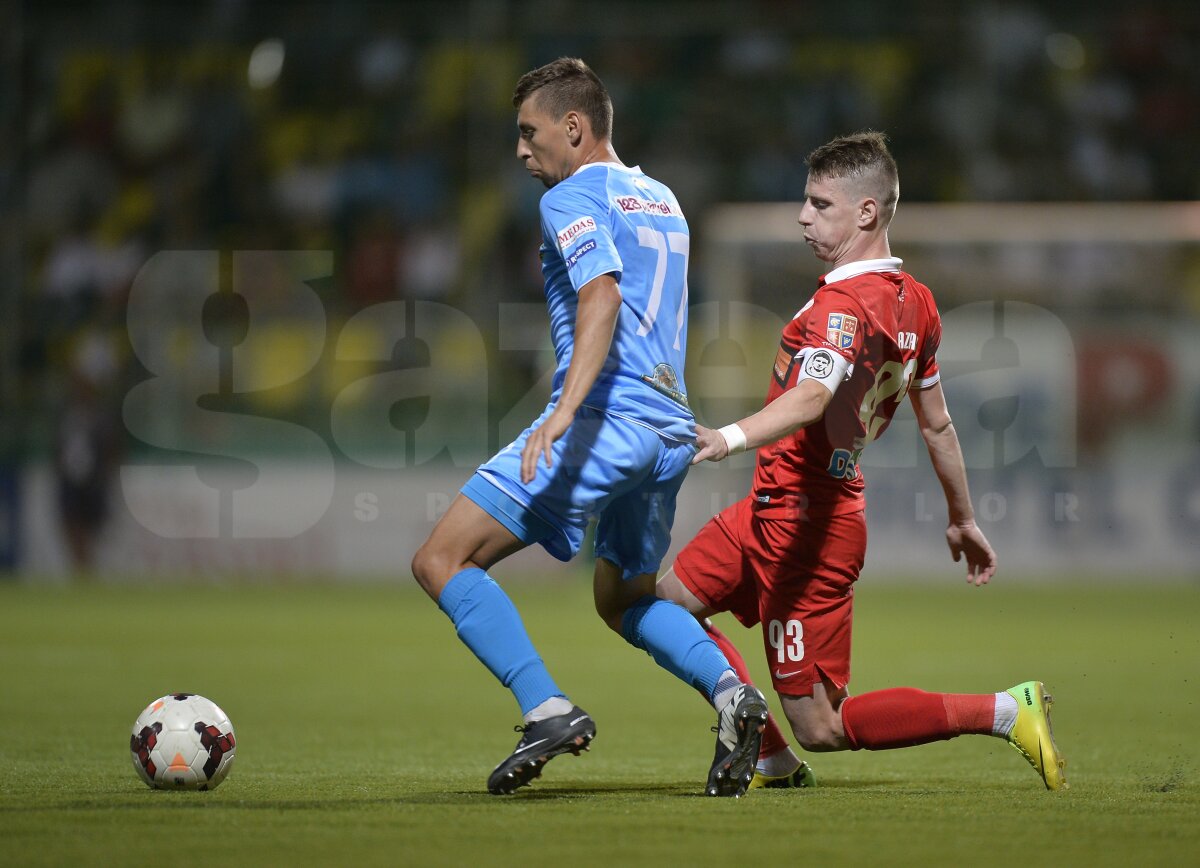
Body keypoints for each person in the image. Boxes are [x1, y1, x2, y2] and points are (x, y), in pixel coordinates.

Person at [655, 131, 1068, 791]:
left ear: (867, 212)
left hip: (806, 529)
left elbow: (812, 397)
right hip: (773, 509)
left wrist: (726, 438)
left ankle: (1002, 711)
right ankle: (768, 754)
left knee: (823, 726)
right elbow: (937, 423)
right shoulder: (916, 302)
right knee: (668, 607)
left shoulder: (842, 306)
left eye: (820, 204)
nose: (803, 217)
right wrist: (962, 517)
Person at [411, 57, 771, 797]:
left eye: (529, 132)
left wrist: (568, 410)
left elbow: (601, 296)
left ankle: (546, 709)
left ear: (573, 128)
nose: (520, 150)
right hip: (670, 431)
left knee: (443, 558)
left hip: (607, 421)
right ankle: (732, 694)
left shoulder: (571, 196)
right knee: (625, 598)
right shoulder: (662, 198)